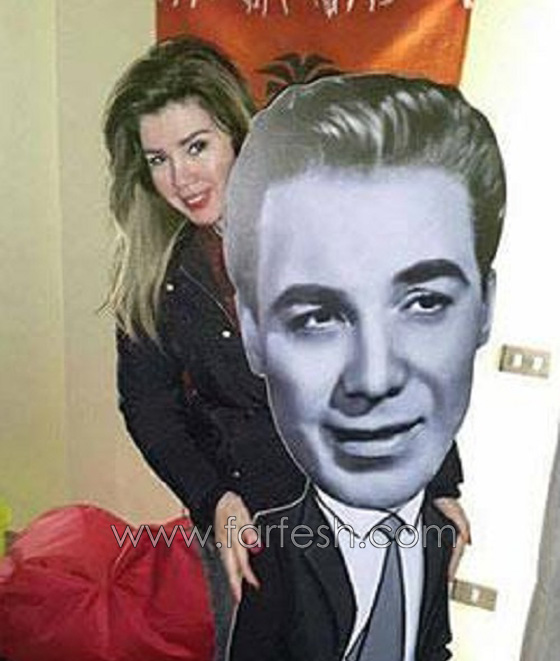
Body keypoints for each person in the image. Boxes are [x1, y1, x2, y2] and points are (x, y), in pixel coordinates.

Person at [103, 37, 468, 604]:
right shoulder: (154, 275)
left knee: (382, 654)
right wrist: (213, 499)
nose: (181, 177)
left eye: (196, 146)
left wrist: (440, 482)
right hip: (251, 519)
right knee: (253, 660)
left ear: (237, 135)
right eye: (158, 160)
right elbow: (150, 407)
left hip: (370, 495)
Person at [225, 73, 506, 661]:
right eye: (317, 315)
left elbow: (432, 633)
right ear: (254, 332)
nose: (374, 378)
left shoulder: (437, 533)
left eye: (425, 301)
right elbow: (254, 657)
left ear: (484, 307)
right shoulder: (275, 542)